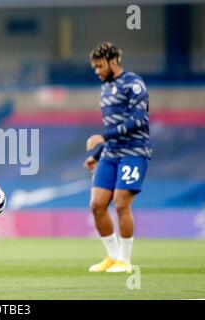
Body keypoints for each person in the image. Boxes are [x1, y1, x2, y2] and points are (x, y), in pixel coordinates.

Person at [84, 42, 151, 273]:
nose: (97, 71)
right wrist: (98, 154)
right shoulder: (106, 88)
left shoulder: (133, 83)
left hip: (134, 152)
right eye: (94, 67)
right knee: (97, 205)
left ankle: (125, 261)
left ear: (113, 62)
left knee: (121, 203)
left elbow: (138, 120)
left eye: (100, 66)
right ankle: (112, 257)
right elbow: (112, 125)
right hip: (111, 154)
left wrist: (103, 138)